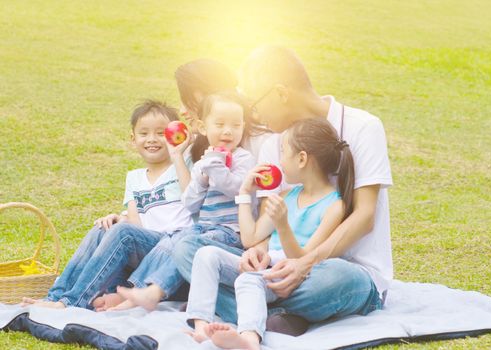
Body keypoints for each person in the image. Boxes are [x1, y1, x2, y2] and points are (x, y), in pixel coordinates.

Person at [172, 45, 393, 336]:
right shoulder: (272, 145)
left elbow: (364, 216)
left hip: (337, 270)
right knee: (188, 250)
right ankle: (278, 315)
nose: (254, 114)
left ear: (280, 93)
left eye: (255, 104)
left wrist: (305, 263)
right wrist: (259, 253)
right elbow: (267, 221)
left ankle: (248, 309)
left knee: (338, 278)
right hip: (278, 268)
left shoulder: (363, 127)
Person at [185, 118, 355, 349]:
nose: (280, 161)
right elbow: (250, 238)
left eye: (284, 152)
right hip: (265, 269)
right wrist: (245, 192)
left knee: (248, 281)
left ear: (302, 159)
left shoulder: (335, 206)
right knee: (206, 255)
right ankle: (201, 326)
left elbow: (302, 260)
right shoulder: (287, 196)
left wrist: (283, 226)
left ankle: (249, 339)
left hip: (289, 276)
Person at [22, 100, 194, 309]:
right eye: (144, 133)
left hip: (171, 249)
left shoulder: (183, 165)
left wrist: (181, 151)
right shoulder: (134, 178)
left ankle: (71, 301)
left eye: (160, 133)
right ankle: (54, 296)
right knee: (102, 229)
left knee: (122, 232)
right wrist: (120, 219)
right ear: (133, 139)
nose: (152, 140)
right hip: (145, 246)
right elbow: (136, 224)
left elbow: (192, 196)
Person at [108, 91, 257, 311]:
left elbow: (236, 189)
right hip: (204, 227)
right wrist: (202, 179)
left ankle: (153, 292)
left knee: (185, 244)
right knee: (174, 239)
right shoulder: (204, 162)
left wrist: (214, 166)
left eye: (236, 125)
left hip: (230, 232)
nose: (228, 131)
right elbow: (190, 203)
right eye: (220, 124)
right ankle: (139, 291)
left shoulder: (244, 158)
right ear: (204, 128)